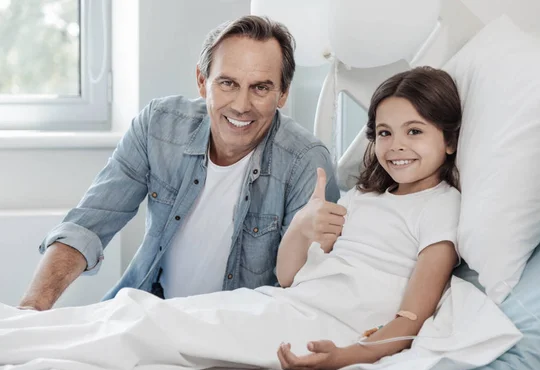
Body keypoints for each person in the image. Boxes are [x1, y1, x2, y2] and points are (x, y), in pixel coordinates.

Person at [2, 66, 461, 370]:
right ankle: (17, 333)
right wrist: (303, 226)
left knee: (148, 327)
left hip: (324, 328)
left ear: (451, 141)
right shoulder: (366, 198)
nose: (396, 145)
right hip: (281, 303)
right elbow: (287, 276)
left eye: (415, 131)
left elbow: (411, 319)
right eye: (384, 132)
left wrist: (344, 356)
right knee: (137, 311)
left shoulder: (440, 208)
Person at [17, 16, 339, 311]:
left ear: (282, 94)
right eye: (227, 83)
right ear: (202, 82)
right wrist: (33, 308)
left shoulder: (306, 163)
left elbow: (304, 293)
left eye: (260, 88)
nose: (242, 106)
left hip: (238, 337)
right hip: (150, 313)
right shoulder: (159, 126)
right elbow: (88, 225)